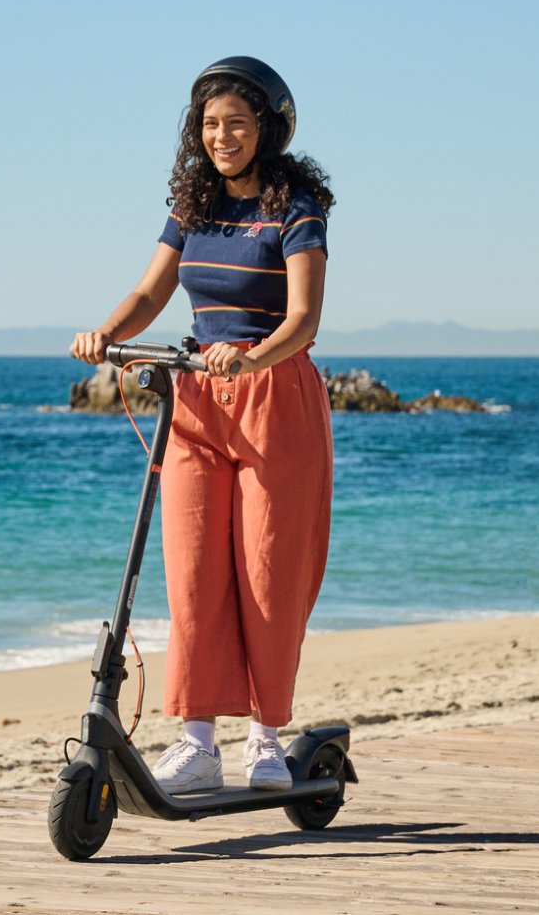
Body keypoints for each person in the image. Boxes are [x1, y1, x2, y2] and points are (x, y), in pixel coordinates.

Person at [71, 57, 334, 794]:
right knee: (193, 573)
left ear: (268, 130)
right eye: (211, 124)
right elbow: (151, 291)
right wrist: (104, 332)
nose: (222, 136)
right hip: (196, 398)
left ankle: (267, 740)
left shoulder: (296, 206)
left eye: (237, 124)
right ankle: (197, 742)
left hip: (273, 396)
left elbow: (304, 319)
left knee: (267, 575)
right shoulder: (193, 204)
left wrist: (252, 361)